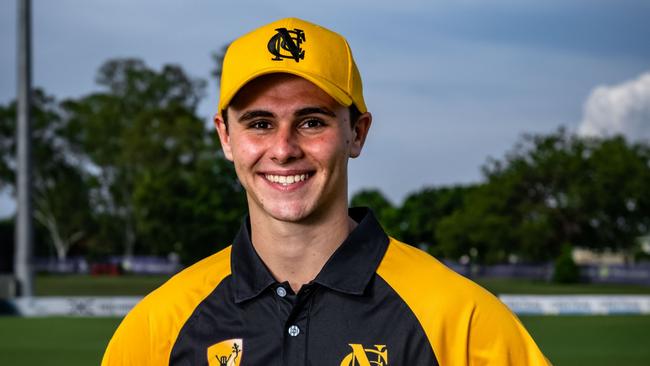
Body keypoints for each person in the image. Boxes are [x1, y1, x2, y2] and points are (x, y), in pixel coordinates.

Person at [102, 17, 550, 366]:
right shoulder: (158, 327)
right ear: (225, 137)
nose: (283, 149)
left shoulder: (462, 320)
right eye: (259, 124)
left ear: (356, 133)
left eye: (312, 121)